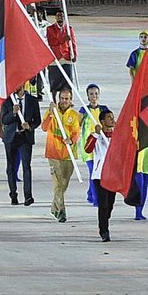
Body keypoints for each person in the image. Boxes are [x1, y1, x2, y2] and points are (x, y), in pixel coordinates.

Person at [41, 86, 81, 223]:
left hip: (69, 155)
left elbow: (77, 133)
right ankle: (61, 212)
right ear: (59, 99)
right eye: (62, 98)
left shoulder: (75, 115)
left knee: (63, 185)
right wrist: (51, 114)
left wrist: (71, 140)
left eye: (67, 99)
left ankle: (54, 207)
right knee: (58, 185)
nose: (64, 101)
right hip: (53, 153)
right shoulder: (52, 111)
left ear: (71, 100)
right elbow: (44, 127)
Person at [1, 83, 39, 206]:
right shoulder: (7, 100)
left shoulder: (32, 100)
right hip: (11, 137)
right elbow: (4, 120)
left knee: (26, 166)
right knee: (11, 167)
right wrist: (13, 113)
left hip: (25, 137)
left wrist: (30, 126)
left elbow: (37, 120)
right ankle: (13, 195)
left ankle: (28, 196)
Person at [87, 108, 117, 242]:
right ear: (102, 121)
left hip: (113, 175)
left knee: (110, 204)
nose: (112, 119)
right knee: (103, 205)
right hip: (99, 175)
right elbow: (87, 149)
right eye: (109, 117)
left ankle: (105, 217)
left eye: (112, 117)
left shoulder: (118, 135)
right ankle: (104, 231)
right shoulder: (96, 136)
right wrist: (96, 135)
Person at [80, 84, 109, 205]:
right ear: (87, 96)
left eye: (96, 94)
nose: (94, 96)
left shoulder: (104, 109)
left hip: (101, 147)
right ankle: (97, 200)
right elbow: (77, 125)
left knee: (98, 172)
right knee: (94, 172)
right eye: (91, 94)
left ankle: (91, 193)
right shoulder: (84, 111)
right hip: (89, 146)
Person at [46, 12, 76, 95]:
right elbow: (52, 42)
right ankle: (54, 100)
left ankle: (69, 98)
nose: (60, 17)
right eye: (58, 16)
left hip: (66, 56)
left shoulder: (69, 29)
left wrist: (74, 54)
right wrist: (63, 39)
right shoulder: (50, 29)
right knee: (54, 81)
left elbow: (73, 43)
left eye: (62, 16)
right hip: (55, 57)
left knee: (68, 80)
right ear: (55, 17)